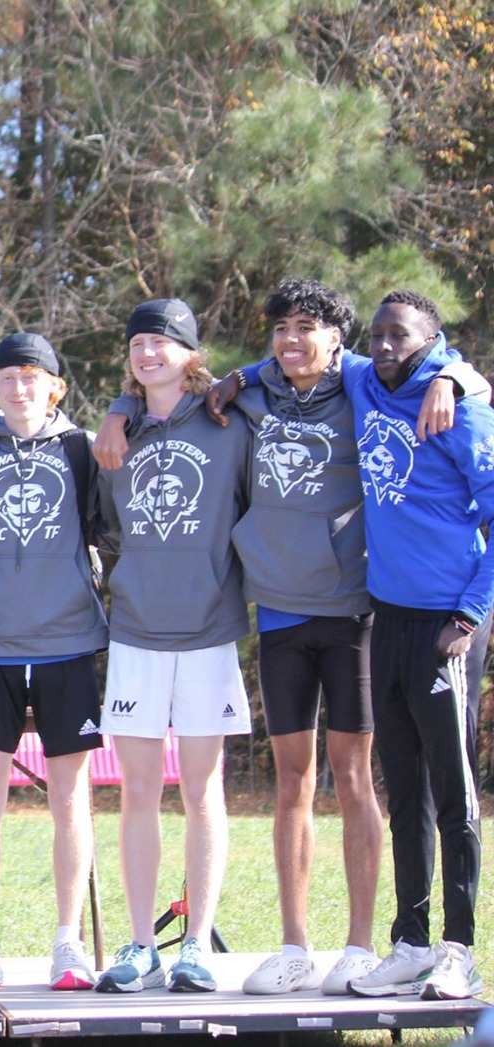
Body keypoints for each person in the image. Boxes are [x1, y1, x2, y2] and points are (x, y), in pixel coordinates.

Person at [96, 279, 484, 995]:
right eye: (280, 328)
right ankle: (295, 944)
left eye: (307, 327)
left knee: (360, 778)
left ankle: (362, 947)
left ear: (338, 338)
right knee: (292, 784)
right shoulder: (251, 392)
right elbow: (173, 386)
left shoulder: (370, 380)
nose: (292, 339)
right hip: (277, 612)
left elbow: (440, 364)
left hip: (356, 612)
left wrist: (456, 375)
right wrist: (123, 404)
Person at [93, 298, 250, 995]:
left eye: (163, 342)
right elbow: (101, 527)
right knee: (137, 793)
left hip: (209, 630)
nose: (148, 353)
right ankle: (137, 943)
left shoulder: (229, 422)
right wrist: (113, 412)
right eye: (138, 344)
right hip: (134, 631)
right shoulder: (115, 434)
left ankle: (196, 946)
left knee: (203, 790)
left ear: (191, 352)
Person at [341, 291, 494, 1001]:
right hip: (387, 618)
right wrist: (234, 378)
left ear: (431, 340)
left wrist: (467, 617)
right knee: (402, 787)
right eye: (375, 335)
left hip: (445, 625)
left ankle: (458, 949)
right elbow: (299, 355)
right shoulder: (366, 380)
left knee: (452, 791)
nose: (383, 346)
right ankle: (409, 941)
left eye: (398, 335)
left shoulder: (461, 408)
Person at [0, 334, 107, 994]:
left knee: (71, 796)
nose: (19, 389)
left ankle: (68, 943)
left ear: (55, 388)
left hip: (69, 643)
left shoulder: (83, 449)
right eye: (7, 378)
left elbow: (112, 532)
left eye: (32, 377)